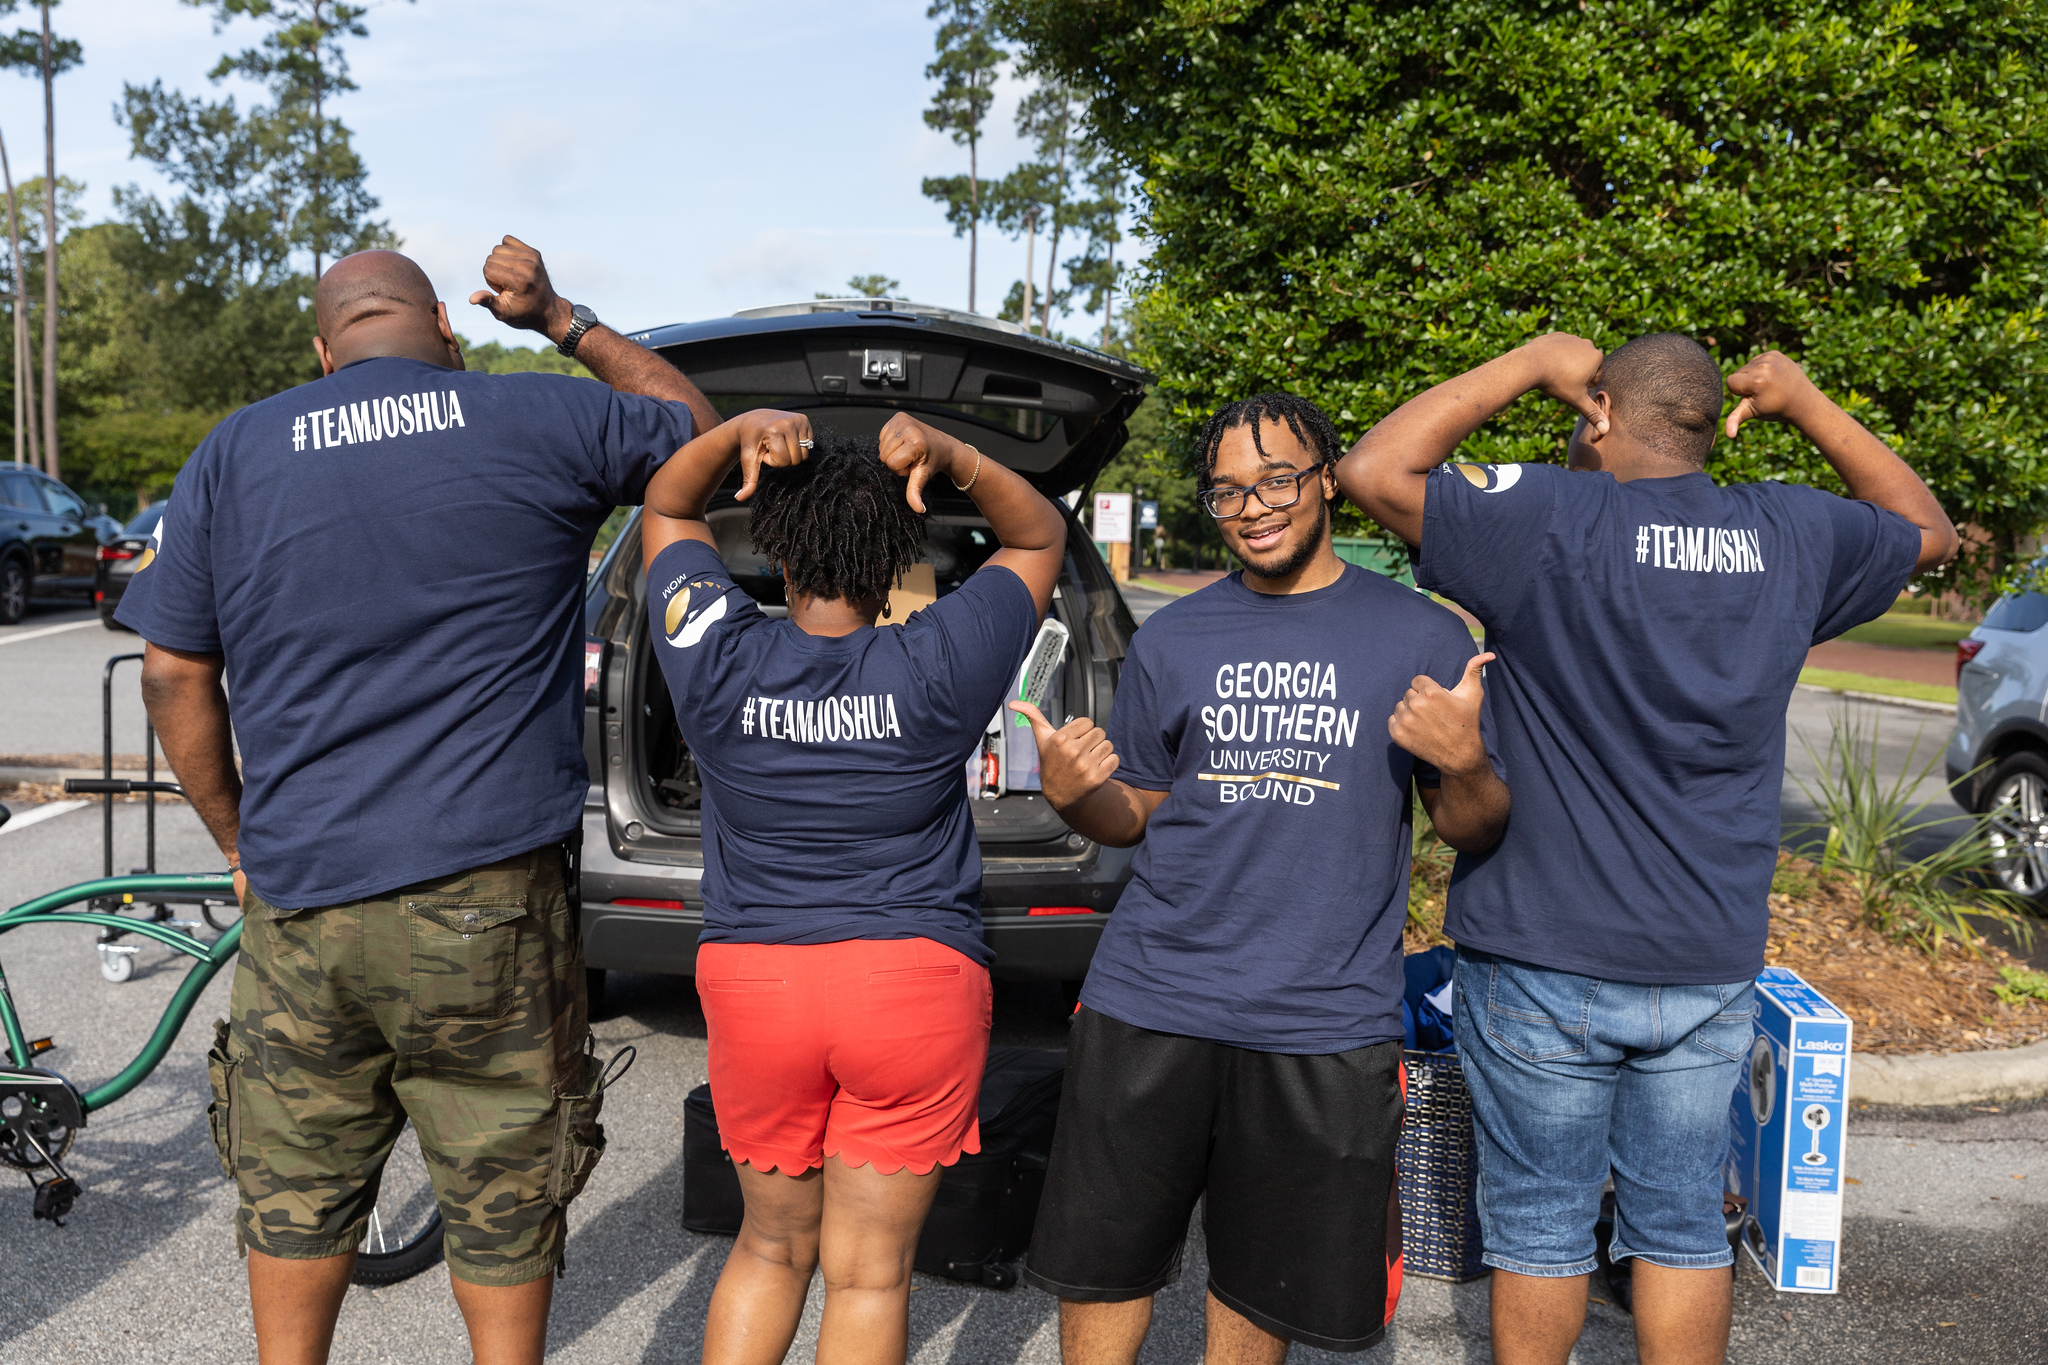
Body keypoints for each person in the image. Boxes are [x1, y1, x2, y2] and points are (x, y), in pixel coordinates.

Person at [123, 240, 719, 1365]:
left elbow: (169, 671)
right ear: (445, 328)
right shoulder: (536, 421)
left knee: (296, 1186)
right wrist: (557, 318)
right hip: (488, 902)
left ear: (322, 347)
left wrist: (239, 840)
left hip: (304, 903)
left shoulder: (233, 453)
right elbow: (696, 431)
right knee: (501, 1188)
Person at [1337, 334, 1957, 1365]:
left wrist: (1532, 357)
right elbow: (1924, 530)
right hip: (1705, 960)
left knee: (1538, 1230)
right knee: (1676, 1228)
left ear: (1601, 414)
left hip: (1541, 950)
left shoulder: (1549, 516)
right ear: (1706, 423)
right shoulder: (1791, 530)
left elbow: (1370, 468)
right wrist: (1803, 399)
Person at [1010, 393, 1511, 1363]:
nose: (1253, 505)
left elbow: (1473, 824)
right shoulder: (1175, 638)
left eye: (1276, 478)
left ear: (1325, 477)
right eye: (1228, 490)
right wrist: (1076, 797)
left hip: (1318, 1020)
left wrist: (1466, 763)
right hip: (1150, 998)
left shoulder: (1422, 636)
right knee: (1103, 1267)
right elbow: (1135, 810)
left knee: (1259, 1286)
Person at [637, 403, 1065, 1365]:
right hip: (913, 988)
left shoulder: (718, 652)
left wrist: (736, 432)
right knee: (869, 1273)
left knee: (768, 1246)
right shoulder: (941, 655)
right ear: (895, 562)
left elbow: (668, 505)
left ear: (780, 556)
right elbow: (1040, 531)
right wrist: (952, 454)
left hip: (759, 984)